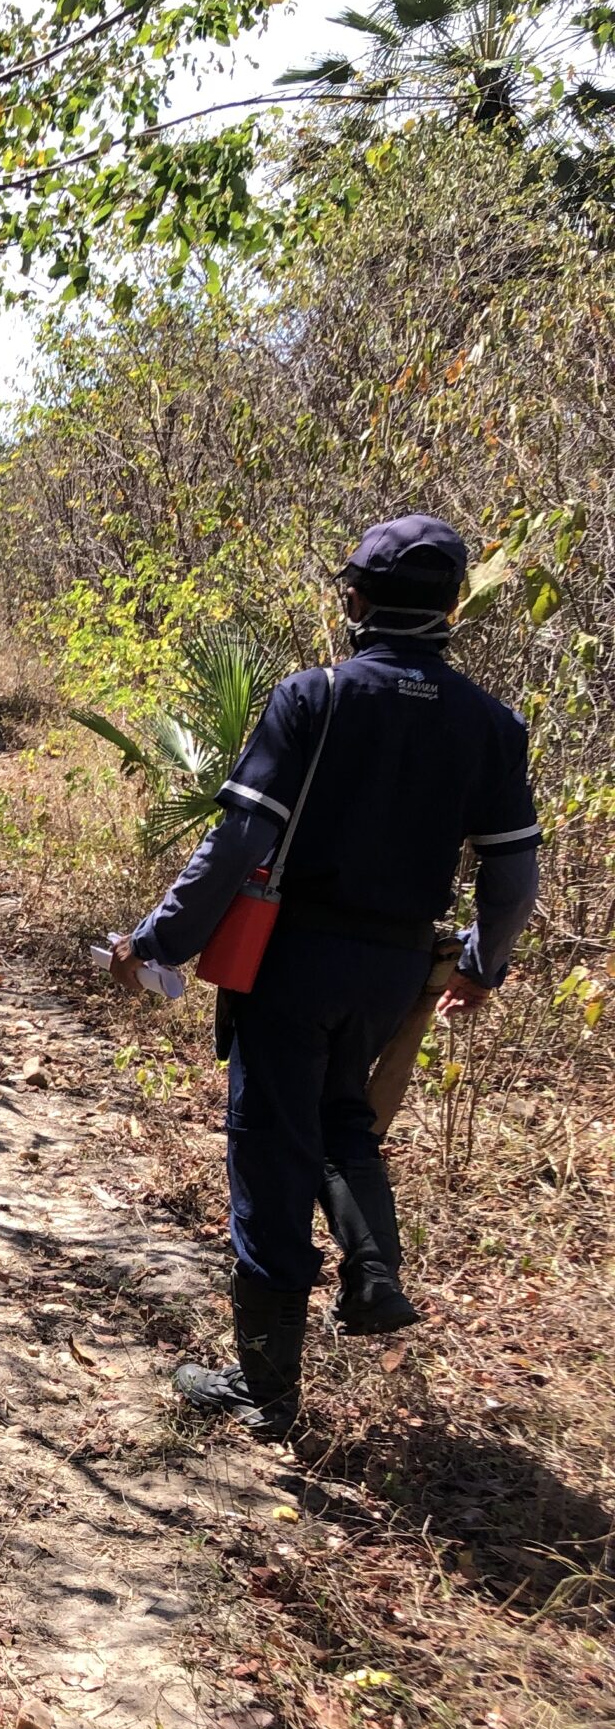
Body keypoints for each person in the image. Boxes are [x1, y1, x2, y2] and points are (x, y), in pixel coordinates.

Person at [108, 515, 541, 1436]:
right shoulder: (492, 726)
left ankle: (265, 1389)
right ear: (456, 604)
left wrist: (158, 941)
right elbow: (512, 876)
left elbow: (239, 842)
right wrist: (481, 965)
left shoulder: (315, 698)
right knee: (344, 1118)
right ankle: (372, 1265)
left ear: (355, 600)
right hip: (392, 970)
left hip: (290, 960)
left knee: (271, 1143)